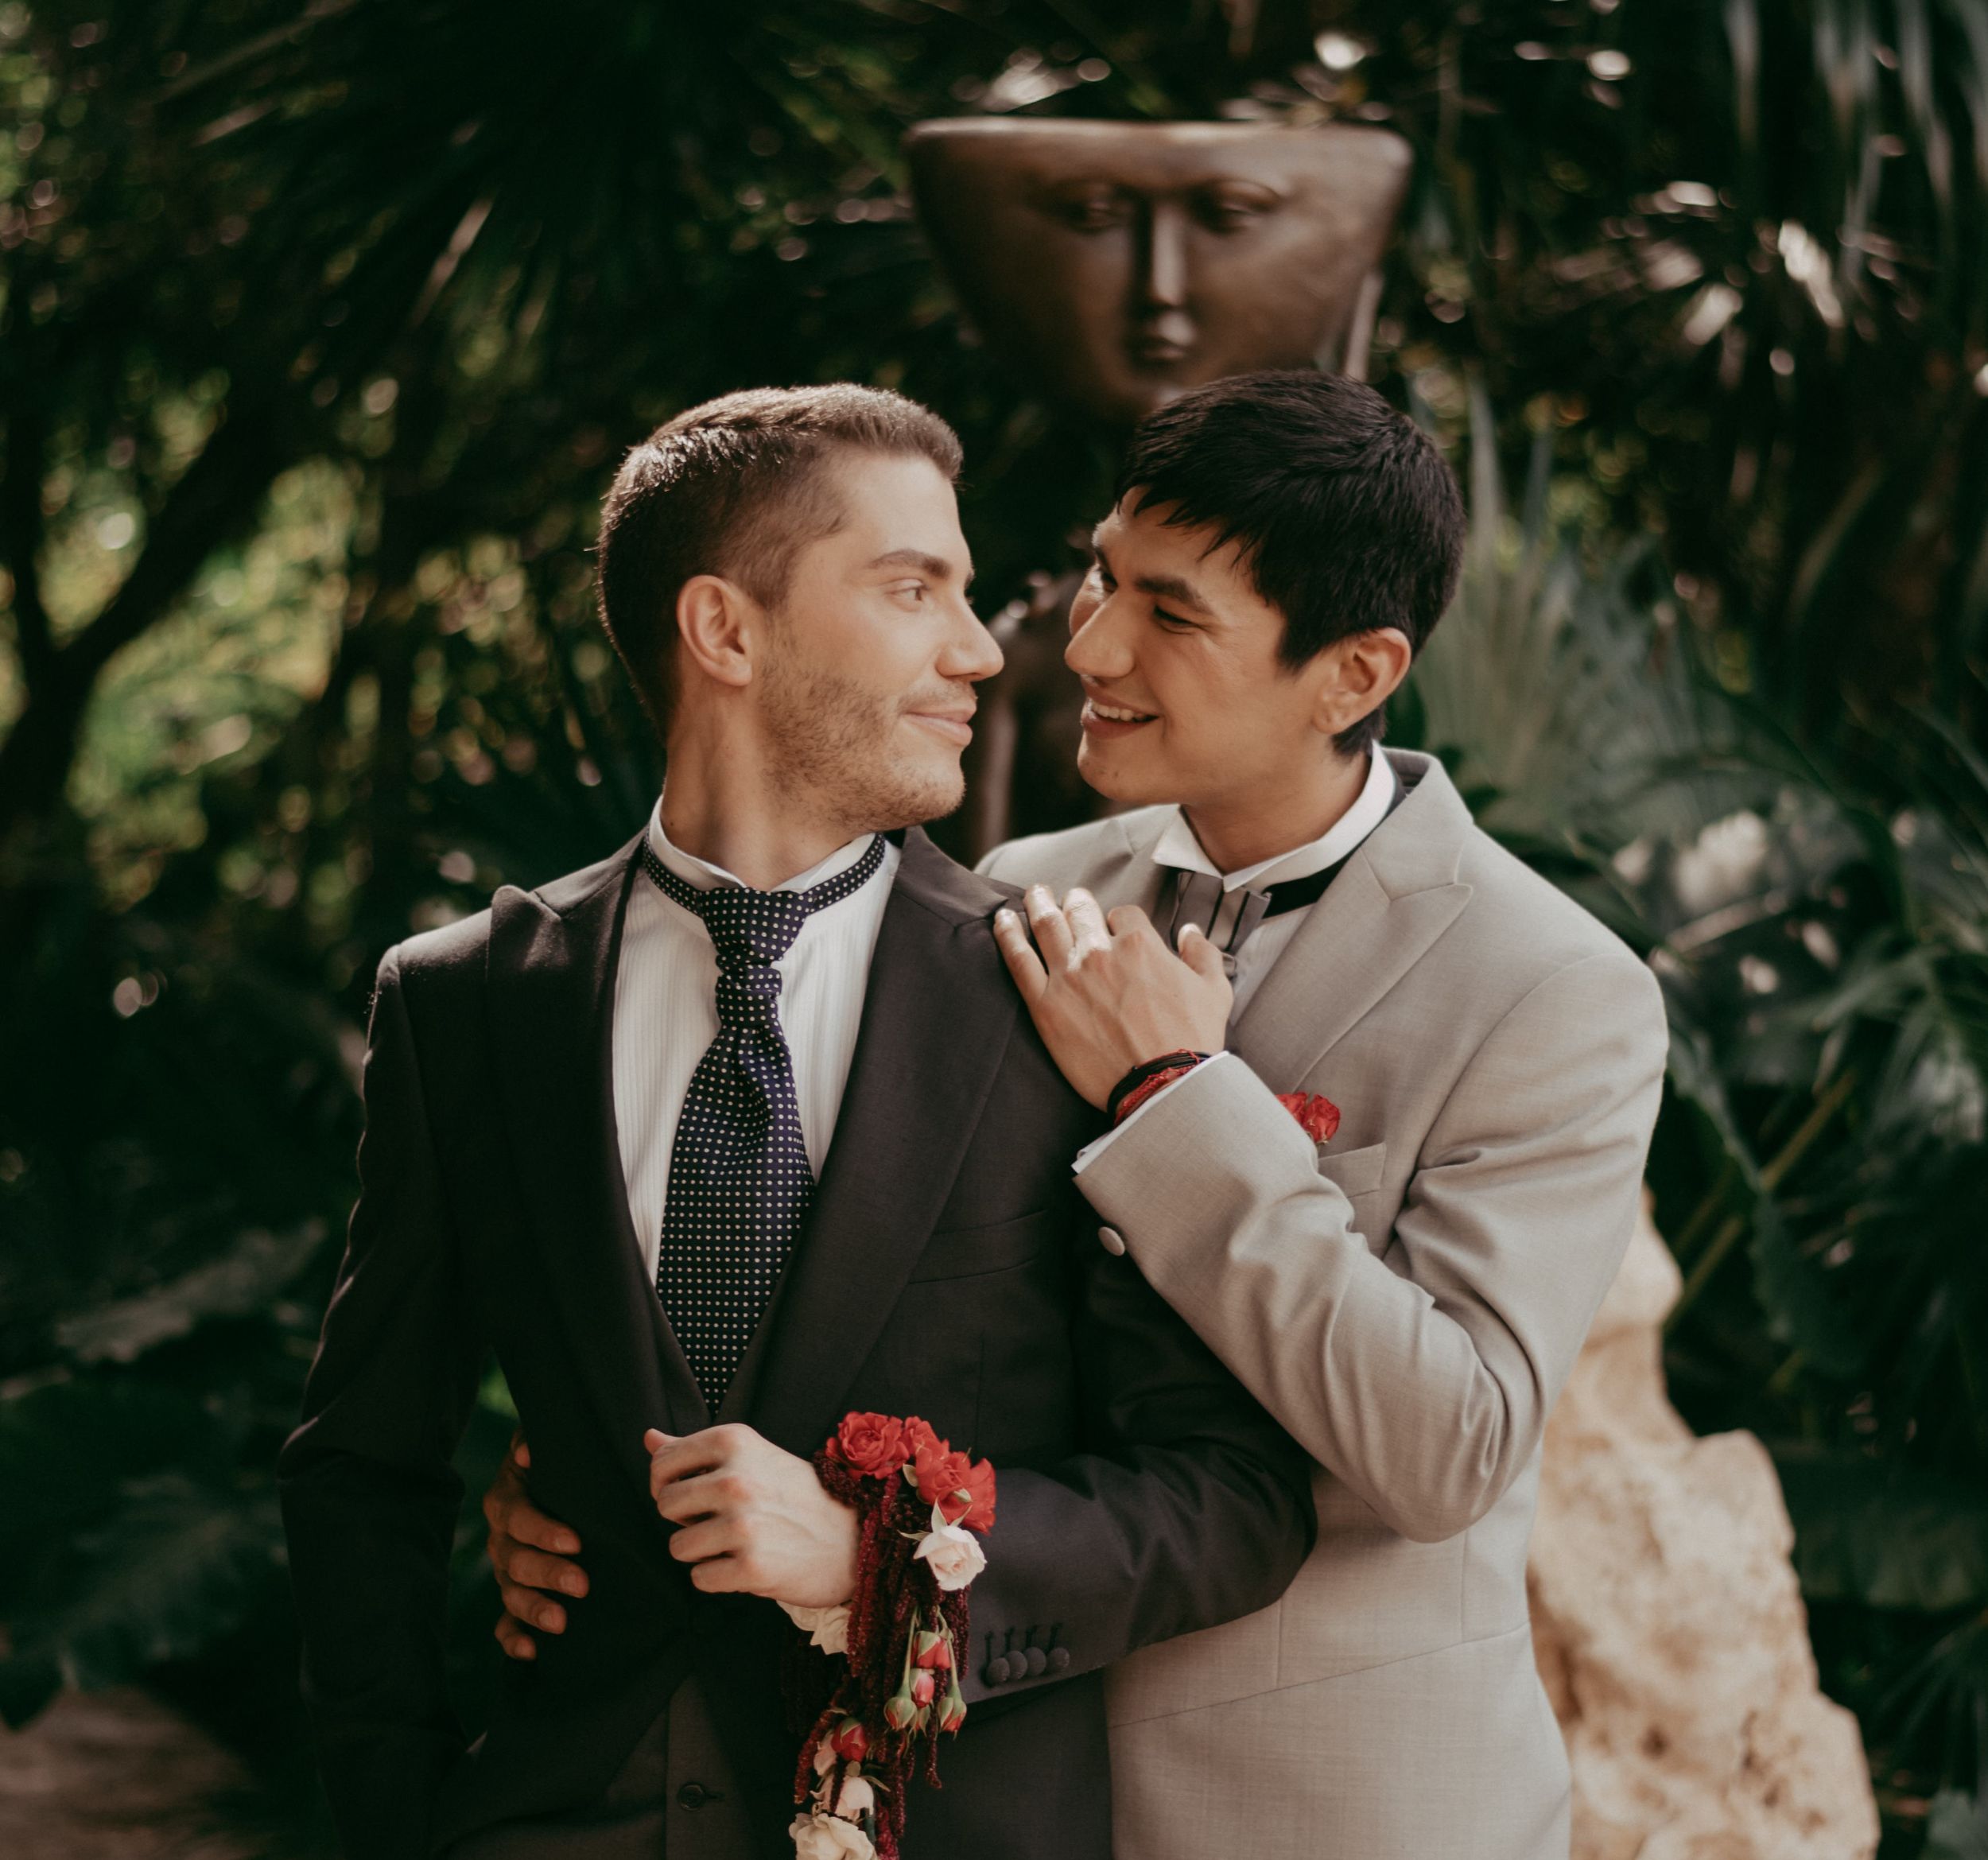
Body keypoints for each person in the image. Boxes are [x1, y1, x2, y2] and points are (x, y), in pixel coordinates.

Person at [483, 371, 1671, 1860]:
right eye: (1104, 578)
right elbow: (881, 1307)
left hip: (1327, 1814)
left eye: (1172, 615)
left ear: (1355, 674)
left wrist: (1175, 1101)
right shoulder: (1020, 888)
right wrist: (599, 1497)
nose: (1090, 645)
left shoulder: (1552, 989)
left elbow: (1451, 1452)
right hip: (977, 1785)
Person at [277, 383, 1313, 1860]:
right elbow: (364, 1466)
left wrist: (881, 1567)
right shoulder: (469, 1005)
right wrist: (400, 1817)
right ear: (726, 630)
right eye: (912, 591)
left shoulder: (1066, 1004)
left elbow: (1232, 1499)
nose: (979, 650)